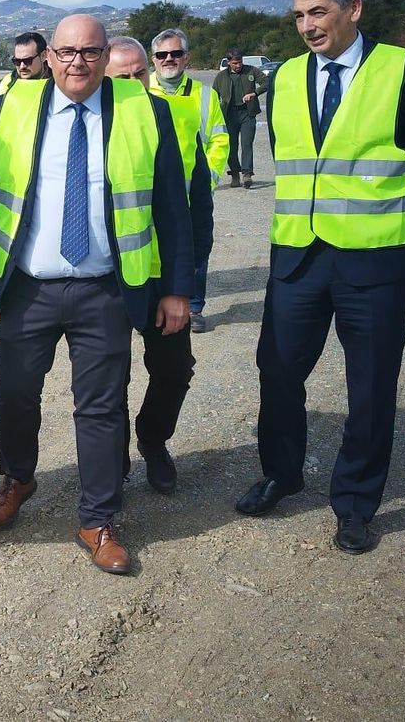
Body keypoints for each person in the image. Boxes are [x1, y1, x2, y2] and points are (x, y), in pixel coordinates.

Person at [0, 15, 194, 575]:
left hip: (104, 289)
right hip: (29, 287)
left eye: (89, 52)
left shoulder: (145, 109)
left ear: (107, 56)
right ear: (49, 57)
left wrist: (178, 289)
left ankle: (98, 518)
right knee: (14, 394)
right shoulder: (14, 104)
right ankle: (18, 477)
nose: (77, 62)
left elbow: (171, 206)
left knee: (102, 407)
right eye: (66, 52)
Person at [236, 0, 405, 555]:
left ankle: (355, 503)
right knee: (278, 371)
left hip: (376, 261)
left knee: (371, 387)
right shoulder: (285, 77)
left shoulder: (403, 69)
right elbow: (292, 157)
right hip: (299, 255)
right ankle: (282, 473)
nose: (307, 26)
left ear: (354, 9)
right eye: (299, 16)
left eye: (318, 13)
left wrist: (395, 225)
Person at [106, 37, 213, 495]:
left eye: (139, 75)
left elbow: (195, 204)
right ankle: (111, 460)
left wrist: (184, 282)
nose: (134, 85)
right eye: (122, 77)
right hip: (111, 279)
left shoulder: (166, 117)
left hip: (160, 277)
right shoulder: (88, 127)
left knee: (174, 369)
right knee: (109, 377)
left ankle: (153, 439)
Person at [149, 28, 229, 333]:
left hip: (191, 194)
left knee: (195, 250)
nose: (168, 59)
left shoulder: (204, 95)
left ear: (187, 57)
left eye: (176, 53)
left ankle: (194, 307)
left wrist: (207, 181)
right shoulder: (140, 89)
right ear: (153, 59)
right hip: (151, 192)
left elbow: (219, 140)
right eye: (162, 54)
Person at [0, 32, 50, 331]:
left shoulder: (59, 86)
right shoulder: (3, 88)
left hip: (45, 180)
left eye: (28, 60)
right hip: (9, 184)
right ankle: (3, 307)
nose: (21, 66)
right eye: (16, 61)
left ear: (44, 56)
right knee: (6, 245)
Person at [216, 48, 267, 188]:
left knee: (247, 144)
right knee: (231, 146)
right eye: (235, 63)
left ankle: (247, 174)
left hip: (247, 113)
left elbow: (267, 82)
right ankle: (234, 174)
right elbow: (214, 95)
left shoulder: (251, 71)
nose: (238, 65)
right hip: (229, 115)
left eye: (240, 62)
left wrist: (254, 93)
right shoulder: (221, 77)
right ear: (228, 62)